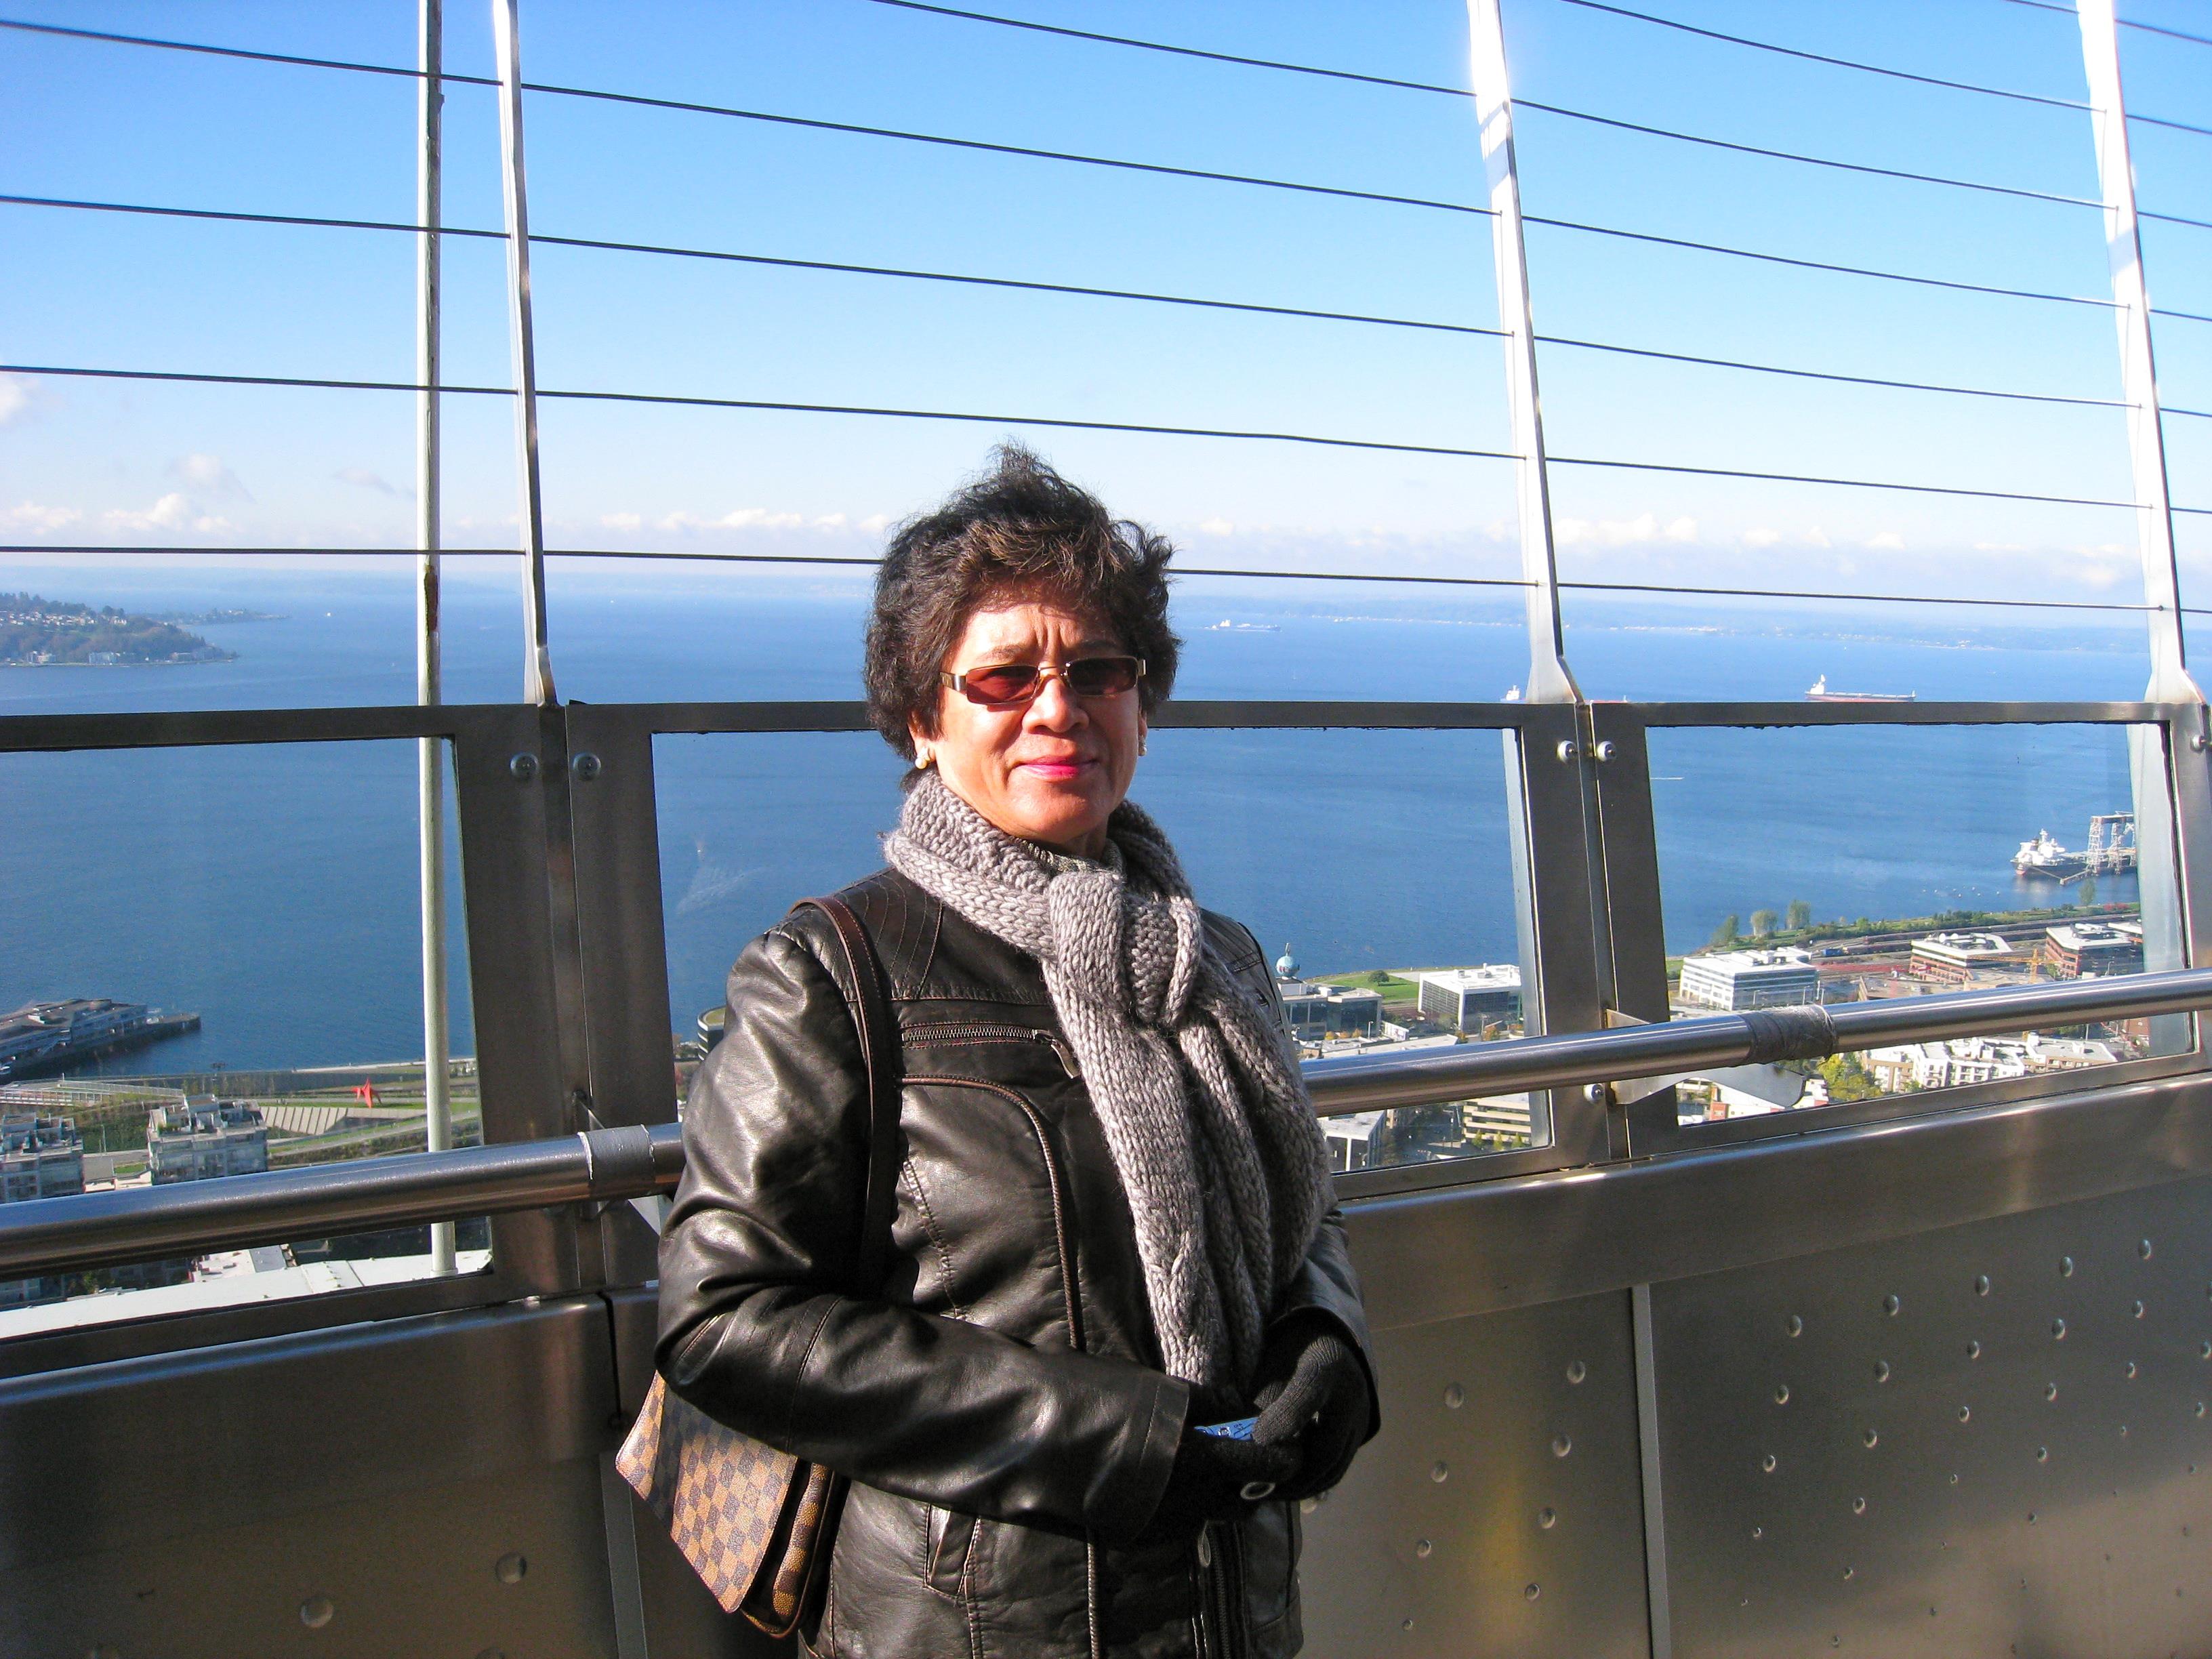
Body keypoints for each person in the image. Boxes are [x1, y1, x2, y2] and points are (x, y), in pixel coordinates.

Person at [657, 445, 1377, 1659]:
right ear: (924, 722)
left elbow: (1296, 1213)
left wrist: (1328, 1340)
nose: (1059, 708)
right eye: (1002, 678)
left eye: (1098, 669)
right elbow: (721, 1318)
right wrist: (1127, 1442)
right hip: (978, 1625)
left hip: (1228, 1606)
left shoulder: (1216, 961)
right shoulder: (836, 973)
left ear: (1141, 706)